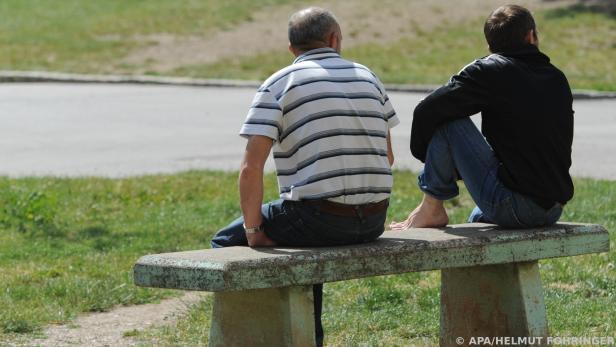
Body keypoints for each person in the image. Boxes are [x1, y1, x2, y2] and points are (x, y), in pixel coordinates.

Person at [210, 7, 399, 346]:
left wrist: (253, 232)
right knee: (303, 236)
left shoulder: (279, 83)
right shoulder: (368, 76)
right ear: (334, 39)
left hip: (319, 219)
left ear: (291, 48)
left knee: (226, 243)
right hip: (373, 219)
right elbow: (388, 156)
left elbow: (251, 168)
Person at [391, 4, 573, 230]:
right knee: (476, 220)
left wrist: (430, 159)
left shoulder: (490, 71)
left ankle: (431, 208)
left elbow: (426, 110)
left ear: (490, 45)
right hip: (553, 208)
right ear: (531, 36)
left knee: (449, 120)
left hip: (516, 206)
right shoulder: (557, 78)